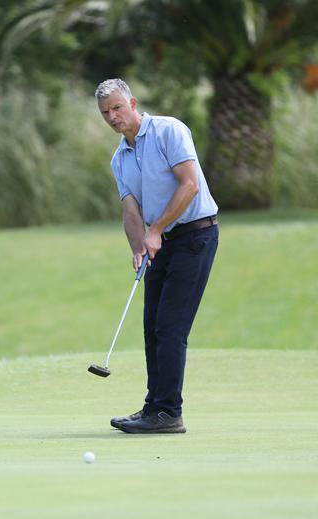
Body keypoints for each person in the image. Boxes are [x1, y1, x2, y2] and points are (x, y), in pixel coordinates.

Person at [95, 78, 219, 434]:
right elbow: (131, 212)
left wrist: (155, 230)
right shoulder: (120, 159)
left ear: (132, 103)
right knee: (152, 327)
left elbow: (189, 185)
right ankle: (155, 407)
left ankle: (169, 412)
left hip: (195, 235)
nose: (113, 117)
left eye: (117, 108)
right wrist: (138, 246)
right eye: (106, 113)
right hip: (159, 243)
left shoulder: (169, 131)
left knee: (170, 328)